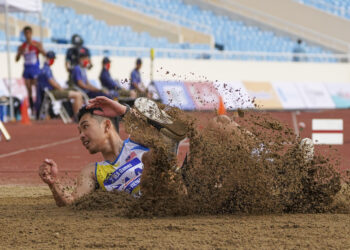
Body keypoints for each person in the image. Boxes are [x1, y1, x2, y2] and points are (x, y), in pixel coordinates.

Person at [36, 51, 84, 120]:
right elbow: (52, 82)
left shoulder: (45, 69)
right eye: (52, 59)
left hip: (52, 91)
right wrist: (61, 89)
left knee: (77, 93)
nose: (53, 61)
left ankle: (77, 116)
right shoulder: (46, 69)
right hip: (52, 92)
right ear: (48, 58)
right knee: (78, 95)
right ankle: (78, 117)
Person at [15, 26, 46, 111]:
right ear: (24, 34)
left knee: (37, 87)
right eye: (26, 33)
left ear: (31, 34)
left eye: (29, 33)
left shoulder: (37, 44)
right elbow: (16, 59)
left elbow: (44, 54)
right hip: (27, 69)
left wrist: (37, 47)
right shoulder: (22, 46)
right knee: (28, 89)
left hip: (35, 68)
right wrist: (20, 52)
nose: (27, 35)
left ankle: (38, 106)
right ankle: (32, 107)